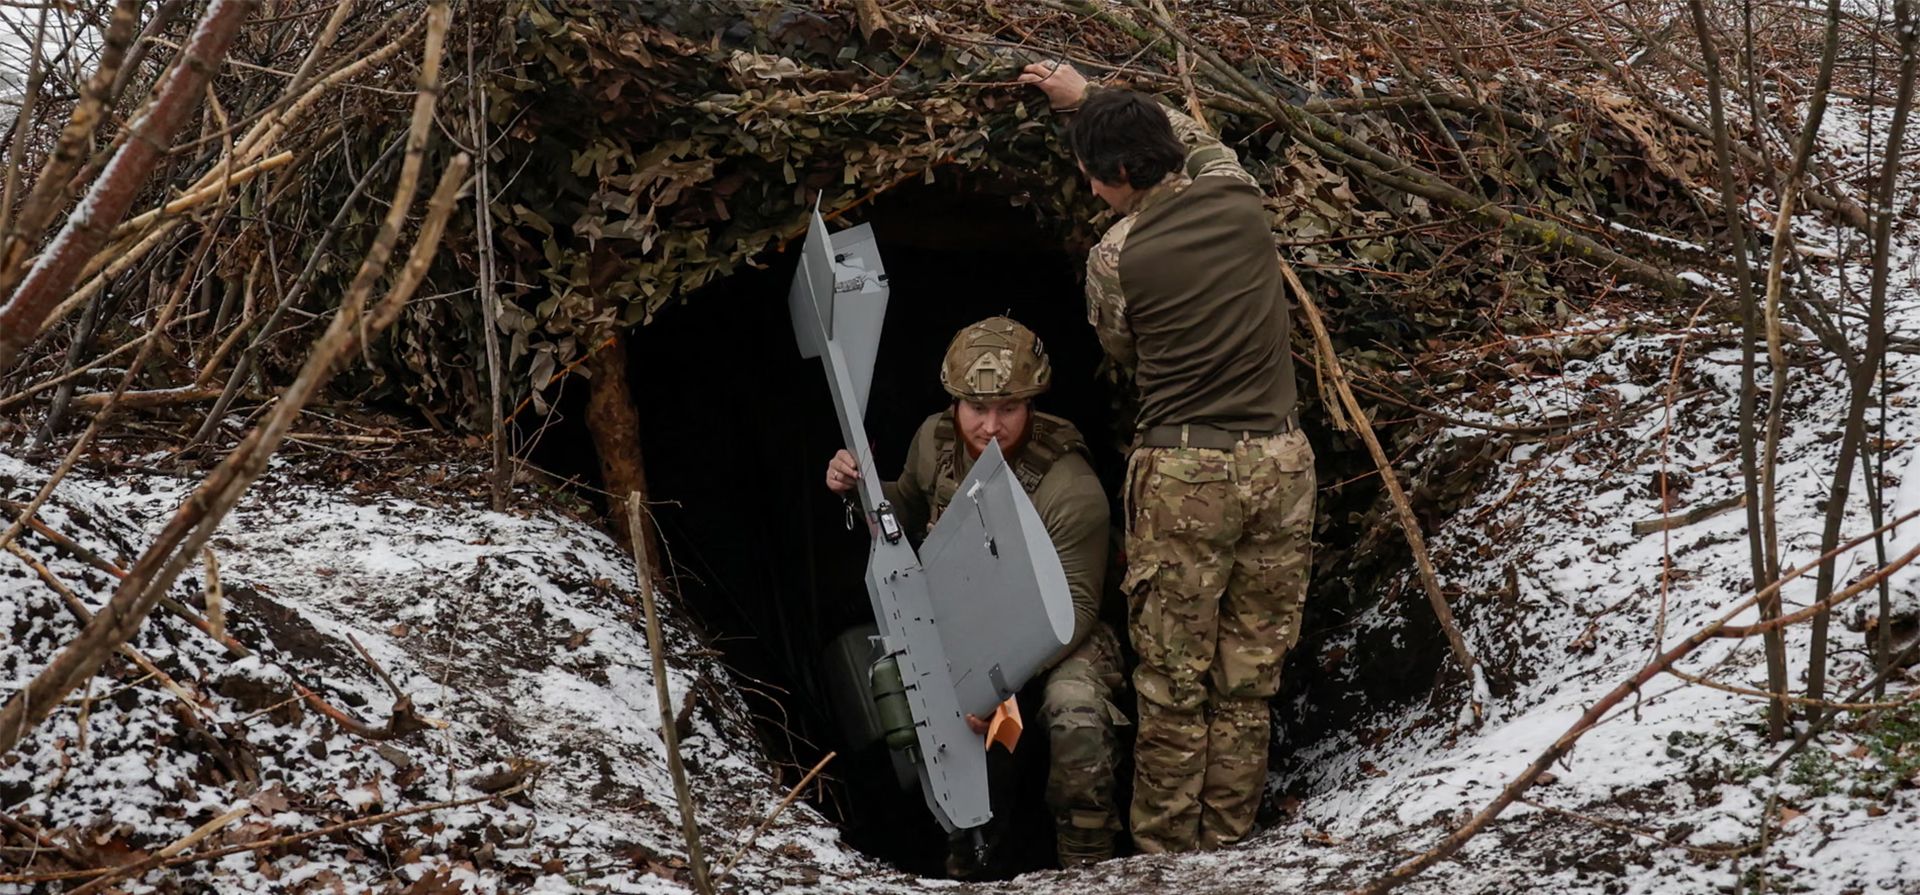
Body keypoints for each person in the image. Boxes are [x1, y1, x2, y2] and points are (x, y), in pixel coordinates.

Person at [1018, 62, 1317, 854]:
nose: (1090, 193)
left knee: (1173, 684)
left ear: (1121, 174)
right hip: (1282, 464)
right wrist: (1091, 102)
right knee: (1250, 679)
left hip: (1187, 473)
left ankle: (1165, 858)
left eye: (1093, 178)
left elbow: (1119, 346)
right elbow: (1199, 137)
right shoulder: (1238, 194)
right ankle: (1227, 844)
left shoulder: (1116, 257)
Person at [824, 317, 1125, 871]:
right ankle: (969, 863)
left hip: (1062, 636)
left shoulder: (1069, 484)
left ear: (1031, 405)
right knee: (931, 720)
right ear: (954, 403)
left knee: (1074, 710)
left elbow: (1076, 611)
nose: (990, 426)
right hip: (967, 620)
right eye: (975, 409)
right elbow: (905, 508)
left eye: (1008, 409)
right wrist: (858, 485)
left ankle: (1088, 867)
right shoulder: (934, 442)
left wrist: (995, 683)